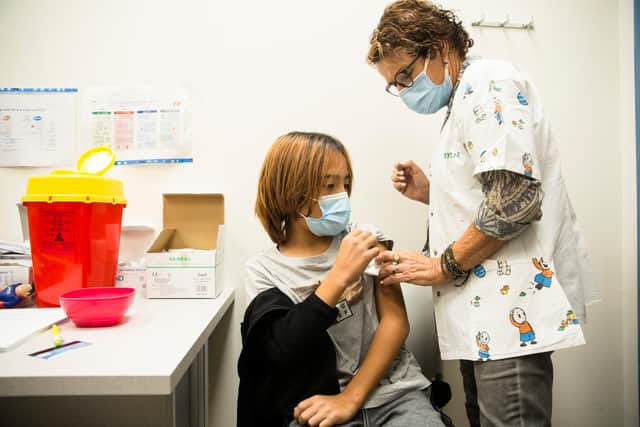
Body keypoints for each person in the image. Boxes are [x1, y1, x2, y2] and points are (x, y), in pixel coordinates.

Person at [366, 1, 599, 426]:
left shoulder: (490, 83)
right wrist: (430, 194)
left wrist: (442, 266)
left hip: (508, 318)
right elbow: (491, 195)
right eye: (394, 85)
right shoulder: (464, 98)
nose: (403, 91)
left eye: (404, 75)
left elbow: (517, 201)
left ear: (438, 48)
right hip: (482, 319)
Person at [237, 132, 446, 427]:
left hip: (395, 392)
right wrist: (339, 275)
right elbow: (282, 352)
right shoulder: (263, 270)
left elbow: (395, 322)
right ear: (291, 192)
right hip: (316, 402)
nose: (342, 196)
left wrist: (351, 399)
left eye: (345, 184)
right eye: (329, 185)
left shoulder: (364, 238)